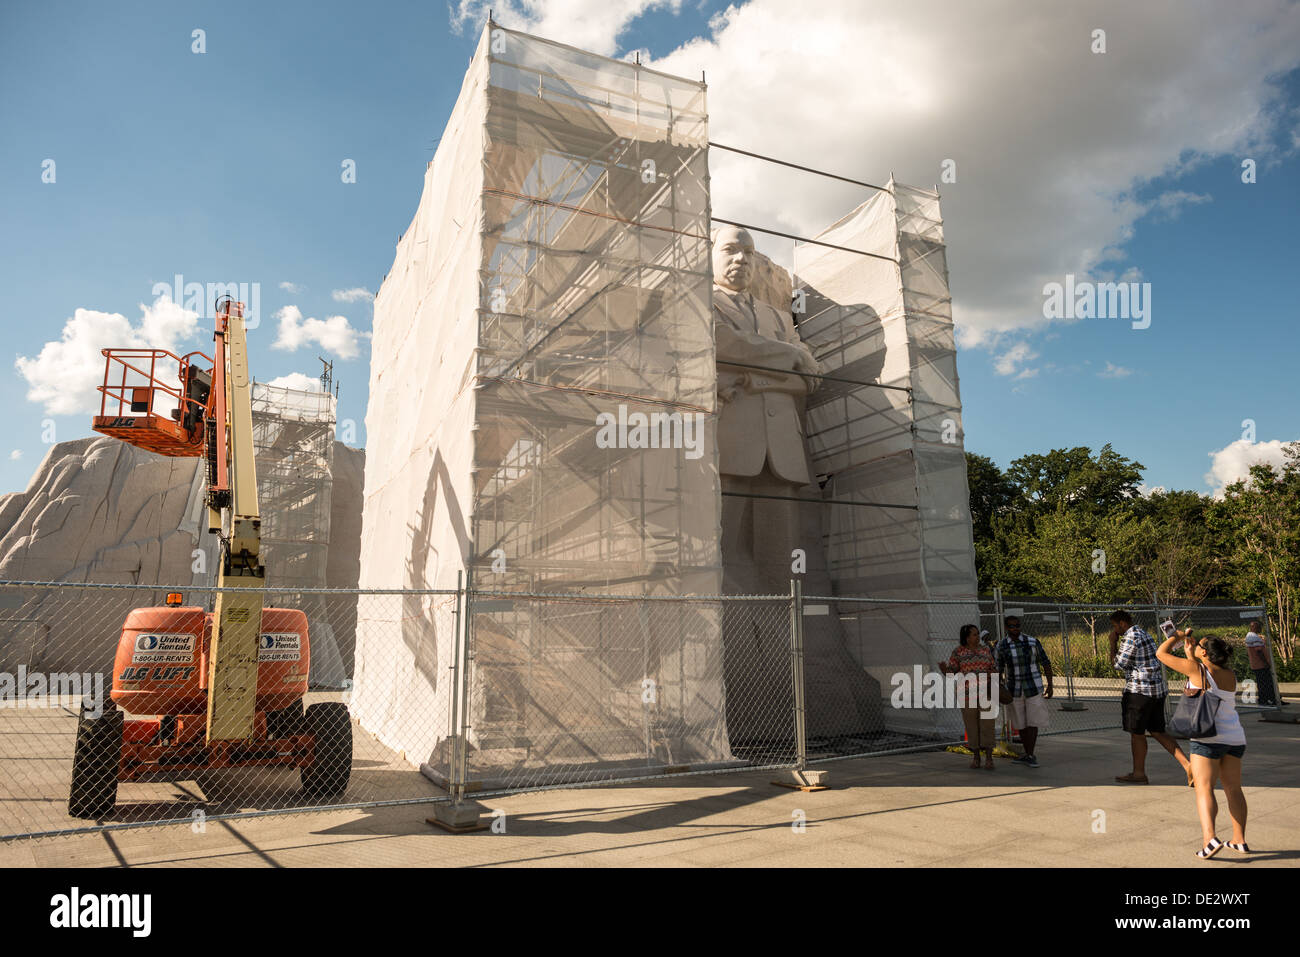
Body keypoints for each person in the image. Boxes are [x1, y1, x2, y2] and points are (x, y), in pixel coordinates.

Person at [1156, 629, 1250, 859]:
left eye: (1200, 644)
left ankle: (1209, 839)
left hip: (1208, 738)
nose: (1195, 644)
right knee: (1233, 789)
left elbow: (1161, 654)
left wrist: (1177, 636)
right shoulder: (1229, 674)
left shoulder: (1197, 669)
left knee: (1204, 789)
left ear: (1205, 653)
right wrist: (1190, 654)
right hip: (1235, 738)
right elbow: (1203, 679)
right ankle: (1239, 840)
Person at [1109, 611, 1191, 785]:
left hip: (1139, 692)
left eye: (1115, 626)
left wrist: (1112, 643)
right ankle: (1188, 765)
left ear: (1122, 624)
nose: (1115, 630)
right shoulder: (1145, 633)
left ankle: (1139, 773)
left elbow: (1118, 664)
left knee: (1137, 733)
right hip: (1156, 690)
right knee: (1158, 731)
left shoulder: (1131, 637)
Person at [994, 615, 1053, 767]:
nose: (1015, 629)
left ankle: (1031, 754)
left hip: (1033, 687)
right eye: (1012, 626)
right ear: (1007, 628)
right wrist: (998, 687)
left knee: (1033, 722)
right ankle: (1027, 754)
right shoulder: (1002, 646)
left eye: (1017, 625)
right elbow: (998, 668)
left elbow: (1045, 662)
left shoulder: (1032, 642)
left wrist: (1050, 684)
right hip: (1014, 689)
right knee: (1020, 723)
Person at [940, 624, 998, 770]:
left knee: (988, 726)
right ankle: (976, 757)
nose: (978, 637)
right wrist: (944, 670)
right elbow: (951, 673)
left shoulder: (985, 650)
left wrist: (993, 673)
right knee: (972, 727)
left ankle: (989, 758)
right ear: (966, 637)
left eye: (978, 634)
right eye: (974, 634)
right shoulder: (958, 652)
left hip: (987, 694)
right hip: (967, 695)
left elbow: (994, 668)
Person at [1244, 621, 1277, 706]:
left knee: (1265, 682)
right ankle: (1264, 700)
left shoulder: (1250, 636)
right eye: (1259, 627)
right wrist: (1266, 663)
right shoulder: (1253, 637)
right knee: (1265, 683)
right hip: (1260, 665)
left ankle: (1272, 699)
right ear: (1254, 627)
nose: (1260, 629)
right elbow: (1258, 651)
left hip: (1257, 664)